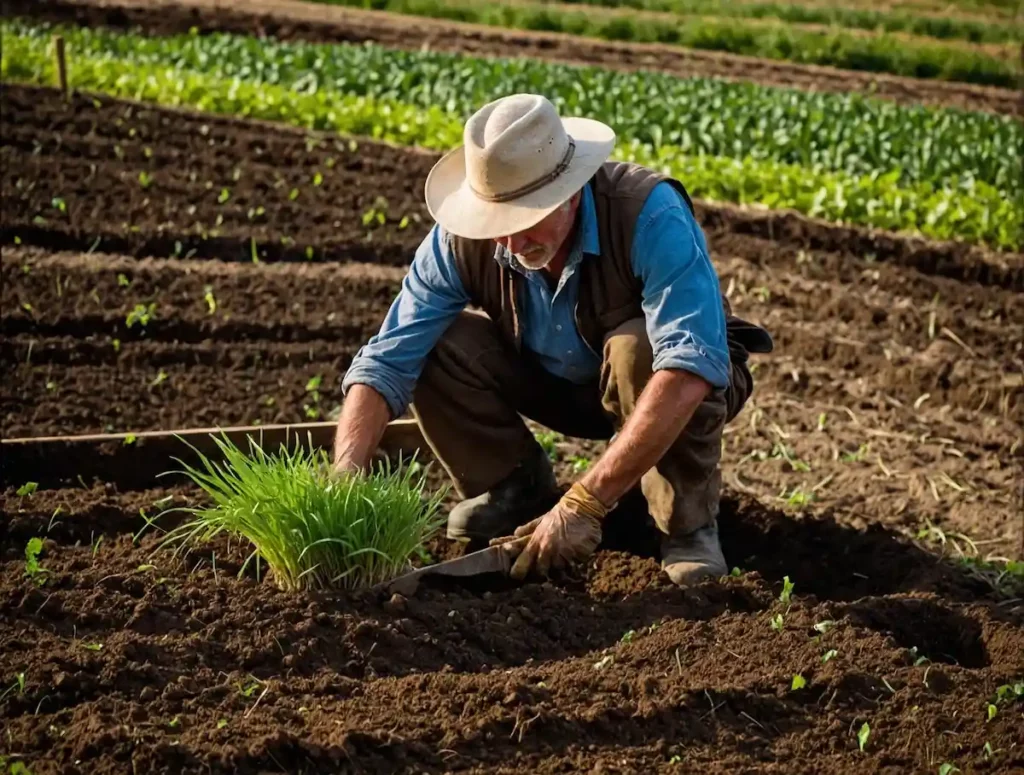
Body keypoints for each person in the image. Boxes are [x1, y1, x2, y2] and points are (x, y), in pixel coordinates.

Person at [332, 93, 772, 585]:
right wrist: (345, 479)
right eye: (495, 226)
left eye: (522, 223)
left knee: (637, 348)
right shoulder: (460, 241)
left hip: (658, 385)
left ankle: (686, 527)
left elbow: (689, 367)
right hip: (553, 378)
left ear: (568, 191)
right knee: (437, 342)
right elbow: (387, 360)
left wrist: (585, 501)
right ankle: (514, 487)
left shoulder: (647, 213)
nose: (509, 246)